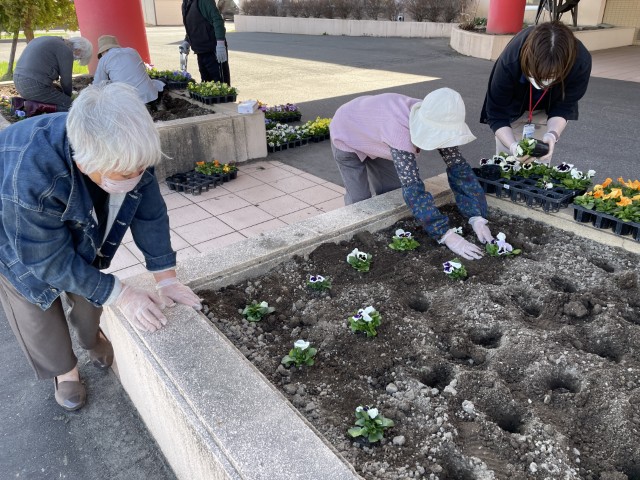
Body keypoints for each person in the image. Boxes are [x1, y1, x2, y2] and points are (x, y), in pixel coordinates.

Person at [0, 82, 202, 412]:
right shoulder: (31, 176)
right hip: (12, 226)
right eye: (124, 174)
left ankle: (92, 337)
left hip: (57, 196)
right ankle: (65, 371)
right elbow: (46, 259)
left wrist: (166, 278)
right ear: (84, 164)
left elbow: (150, 212)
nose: (136, 177)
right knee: (35, 298)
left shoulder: (129, 145)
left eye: (140, 169)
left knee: (89, 289)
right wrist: (123, 294)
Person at [330, 88, 494, 260]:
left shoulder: (438, 113)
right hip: (347, 132)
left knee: (391, 190)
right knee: (359, 200)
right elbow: (413, 190)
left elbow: (458, 168)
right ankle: (356, 242)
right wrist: (445, 234)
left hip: (378, 133)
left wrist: (477, 216)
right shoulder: (400, 133)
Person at [480, 21, 592, 163]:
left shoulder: (580, 62)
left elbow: (564, 106)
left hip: (547, 111)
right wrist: (513, 146)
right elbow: (496, 114)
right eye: (534, 76)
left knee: (540, 160)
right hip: (511, 110)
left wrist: (552, 134)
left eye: (551, 77)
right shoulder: (510, 61)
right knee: (508, 161)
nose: (542, 83)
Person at [13, 36, 93, 112]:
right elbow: (66, 81)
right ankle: (33, 107)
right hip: (33, 85)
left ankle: (28, 104)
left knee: (58, 95)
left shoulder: (51, 40)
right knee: (74, 107)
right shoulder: (66, 50)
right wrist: (67, 98)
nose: (75, 59)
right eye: (79, 58)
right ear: (78, 50)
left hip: (18, 81)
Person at [93, 35, 165, 109]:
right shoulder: (132, 51)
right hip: (151, 96)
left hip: (129, 104)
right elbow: (142, 69)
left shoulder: (104, 59)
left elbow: (97, 85)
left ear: (104, 51)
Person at [180, 0, 231, 84]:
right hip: (200, 52)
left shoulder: (204, 1)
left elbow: (217, 20)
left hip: (214, 50)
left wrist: (220, 44)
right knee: (206, 83)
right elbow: (193, 26)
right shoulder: (185, 4)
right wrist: (187, 41)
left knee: (221, 84)